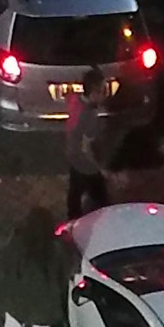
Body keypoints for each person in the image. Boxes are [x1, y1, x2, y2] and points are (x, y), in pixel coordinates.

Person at [63, 69, 123, 220]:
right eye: (102, 90)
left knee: (75, 191)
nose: (105, 94)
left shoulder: (76, 100)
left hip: (72, 154)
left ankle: (73, 219)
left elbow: (69, 97)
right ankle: (102, 219)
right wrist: (101, 169)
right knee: (99, 193)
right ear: (94, 93)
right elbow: (87, 147)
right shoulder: (89, 118)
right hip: (86, 164)